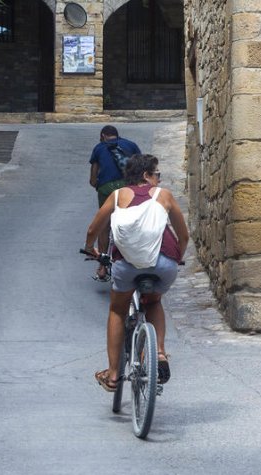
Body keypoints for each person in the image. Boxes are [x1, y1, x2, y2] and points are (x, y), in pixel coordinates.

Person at [83, 154, 189, 392]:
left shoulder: (117, 196)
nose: (159, 179)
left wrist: (92, 250)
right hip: (164, 264)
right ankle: (160, 354)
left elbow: (93, 229)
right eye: (157, 174)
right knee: (154, 301)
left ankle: (112, 375)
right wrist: (177, 256)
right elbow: (183, 235)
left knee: (117, 310)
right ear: (146, 175)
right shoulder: (164, 196)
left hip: (127, 265)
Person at [88, 125, 141, 280]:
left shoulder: (99, 148)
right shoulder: (131, 145)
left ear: (103, 136)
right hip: (129, 189)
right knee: (132, 222)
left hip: (107, 189)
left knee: (104, 226)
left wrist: (99, 185)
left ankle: (103, 266)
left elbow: (92, 179)